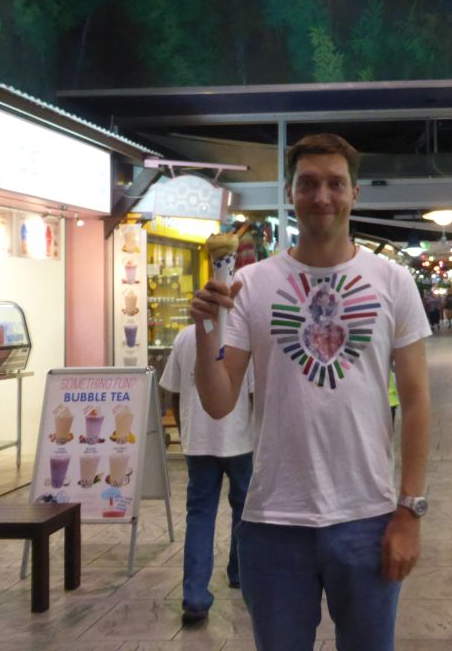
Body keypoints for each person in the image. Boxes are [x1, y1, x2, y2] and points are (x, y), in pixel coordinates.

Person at [191, 133, 432, 651]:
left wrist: (409, 510)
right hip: (273, 522)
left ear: (354, 193)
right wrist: (209, 327)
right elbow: (217, 401)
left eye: (335, 183)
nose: (322, 196)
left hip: (367, 518)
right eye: (308, 183)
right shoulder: (252, 285)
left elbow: (416, 402)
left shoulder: (392, 282)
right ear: (290, 192)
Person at [160, 323, 255, 626]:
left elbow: (173, 392)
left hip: (198, 441)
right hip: (240, 439)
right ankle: (239, 574)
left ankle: (195, 596)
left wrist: (185, 430)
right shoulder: (244, 335)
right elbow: (254, 395)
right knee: (244, 510)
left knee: (200, 514)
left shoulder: (186, 336)